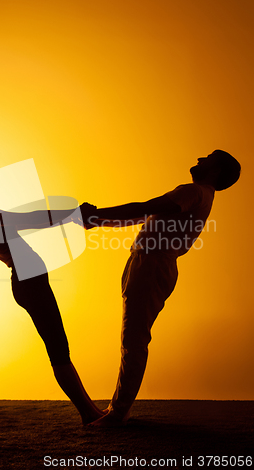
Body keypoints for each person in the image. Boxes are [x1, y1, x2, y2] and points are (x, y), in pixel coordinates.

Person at [79, 150, 241, 426]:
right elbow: (145, 213)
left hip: (152, 265)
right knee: (132, 338)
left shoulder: (194, 191)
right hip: (146, 263)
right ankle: (119, 409)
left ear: (215, 171)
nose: (201, 159)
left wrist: (96, 217)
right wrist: (96, 220)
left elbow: (145, 208)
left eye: (209, 158)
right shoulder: (197, 194)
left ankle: (118, 413)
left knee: (134, 340)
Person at [0, 170, 103, 425]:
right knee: (59, 350)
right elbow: (34, 219)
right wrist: (74, 213)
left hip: (30, 281)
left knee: (60, 348)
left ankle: (91, 411)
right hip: (28, 283)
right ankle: (88, 414)